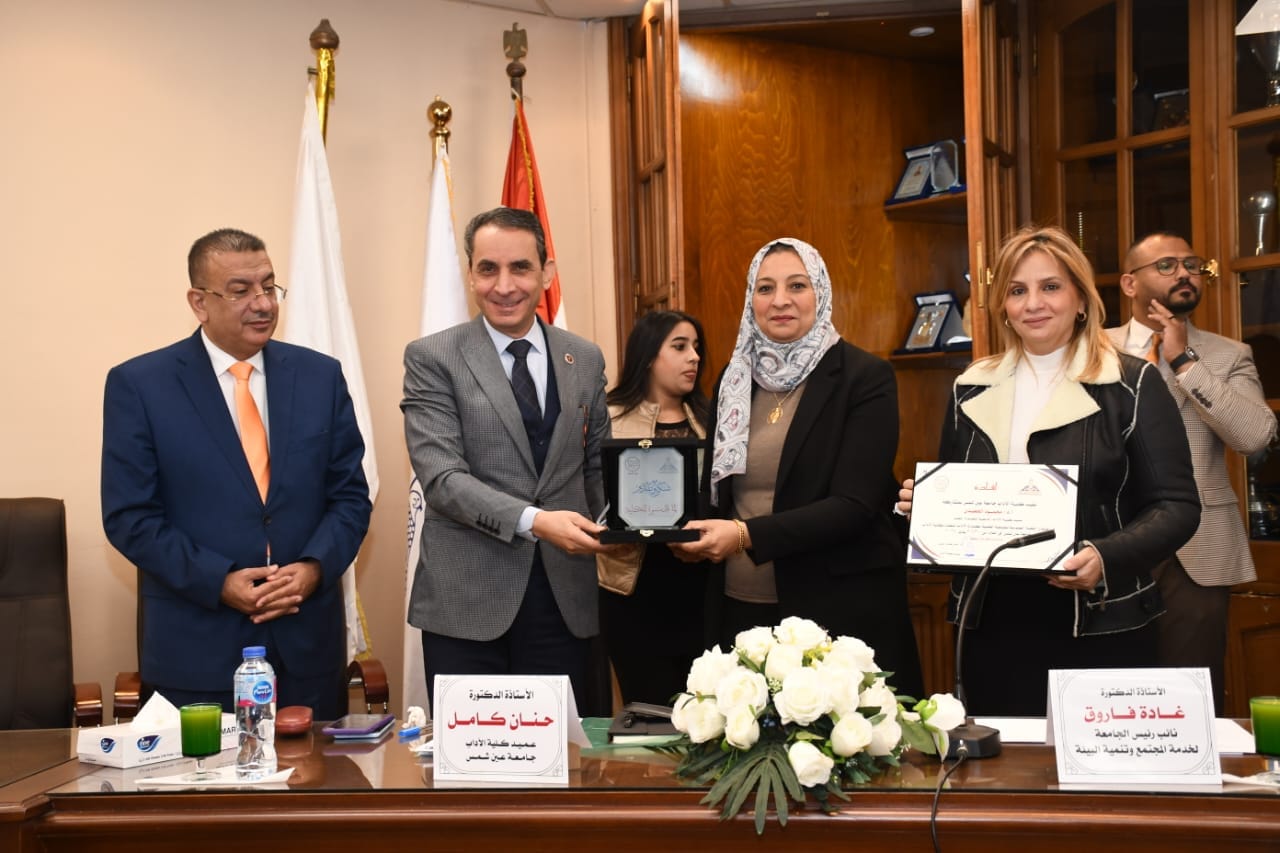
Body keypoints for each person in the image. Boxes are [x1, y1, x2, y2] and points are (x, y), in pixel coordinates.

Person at [897, 225, 1201, 717]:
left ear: (1080, 298)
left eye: (1051, 286)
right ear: (1003, 306)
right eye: (1017, 291)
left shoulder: (1131, 383)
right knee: (1004, 764)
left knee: (1097, 766)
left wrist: (1105, 555)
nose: (1033, 303)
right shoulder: (970, 386)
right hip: (991, 625)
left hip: (1100, 622)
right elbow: (960, 501)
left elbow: (1177, 507)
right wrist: (925, 510)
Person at [102, 228, 372, 719]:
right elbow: (130, 517)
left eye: (269, 286)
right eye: (241, 291)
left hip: (307, 652)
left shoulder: (320, 376)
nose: (263, 303)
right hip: (197, 653)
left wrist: (313, 569)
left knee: (315, 772)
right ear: (199, 303)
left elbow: (351, 497)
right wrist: (218, 580)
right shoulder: (140, 386)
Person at [673, 237, 925, 700]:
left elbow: (854, 505)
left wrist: (744, 535)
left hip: (834, 613)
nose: (780, 301)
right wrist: (687, 533)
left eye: (797, 285)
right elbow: (721, 492)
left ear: (821, 293)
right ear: (751, 299)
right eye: (765, 288)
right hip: (739, 610)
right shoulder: (734, 377)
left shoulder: (863, 378)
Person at [402, 206, 613, 710]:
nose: (504, 286)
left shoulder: (584, 357)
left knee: (564, 751)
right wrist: (536, 521)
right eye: (488, 269)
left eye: (520, 267)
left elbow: (598, 468)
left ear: (547, 272)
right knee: (473, 755)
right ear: (470, 274)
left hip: (564, 601)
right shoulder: (433, 357)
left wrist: (638, 522)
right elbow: (443, 479)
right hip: (467, 608)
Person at [1107, 231, 1276, 711]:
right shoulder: (1091, 349)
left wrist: (1184, 362)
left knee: (1190, 698)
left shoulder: (1229, 354)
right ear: (1130, 284)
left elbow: (1254, 436)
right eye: (1166, 265)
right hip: (1109, 540)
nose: (1183, 273)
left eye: (1191, 265)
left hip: (1197, 552)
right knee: (1108, 687)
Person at [597, 310, 712, 705]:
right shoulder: (607, 418)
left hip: (702, 590)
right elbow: (586, 496)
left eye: (696, 347)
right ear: (648, 356)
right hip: (632, 593)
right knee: (649, 716)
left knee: (706, 716)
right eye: (680, 347)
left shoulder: (714, 419)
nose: (694, 356)